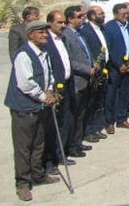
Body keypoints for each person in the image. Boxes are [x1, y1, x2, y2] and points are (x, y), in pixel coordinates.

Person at [5, 20, 60, 202]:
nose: (45, 35)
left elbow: (49, 75)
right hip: (24, 108)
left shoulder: (44, 52)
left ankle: (38, 175)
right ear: (30, 35)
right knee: (23, 147)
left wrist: (50, 90)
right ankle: (22, 183)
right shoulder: (24, 55)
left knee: (39, 143)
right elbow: (25, 84)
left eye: (45, 32)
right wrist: (44, 97)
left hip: (40, 106)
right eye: (40, 32)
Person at [43, 11, 73, 174]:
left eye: (64, 23)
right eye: (59, 22)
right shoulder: (46, 41)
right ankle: (49, 161)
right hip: (53, 89)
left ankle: (60, 154)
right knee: (50, 127)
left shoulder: (63, 39)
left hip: (66, 85)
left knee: (63, 121)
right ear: (50, 23)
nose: (63, 25)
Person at [63, 5, 95, 158]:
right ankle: (71, 146)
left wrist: (93, 63)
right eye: (80, 16)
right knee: (73, 115)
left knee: (82, 113)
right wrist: (87, 69)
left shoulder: (80, 33)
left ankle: (78, 141)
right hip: (77, 80)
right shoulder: (66, 35)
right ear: (70, 19)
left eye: (83, 16)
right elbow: (69, 60)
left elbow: (86, 53)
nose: (83, 18)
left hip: (86, 79)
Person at [103, 3, 129, 134]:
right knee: (111, 96)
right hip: (115, 68)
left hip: (128, 66)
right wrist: (118, 64)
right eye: (123, 14)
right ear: (116, 14)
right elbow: (108, 49)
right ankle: (109, 122)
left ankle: (122, 119)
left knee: (125, 94)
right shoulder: (108, 28)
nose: (126, 16)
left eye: (127, 13)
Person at [80, 6, 109, 143]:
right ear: (92, 16)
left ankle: (95, 128)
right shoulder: (85, 31)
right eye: (100, 13)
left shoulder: (102, 28)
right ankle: (88, 130)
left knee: (98, 102)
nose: (104, 15)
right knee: (90, 103)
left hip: (103, 69)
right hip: (93, 71)